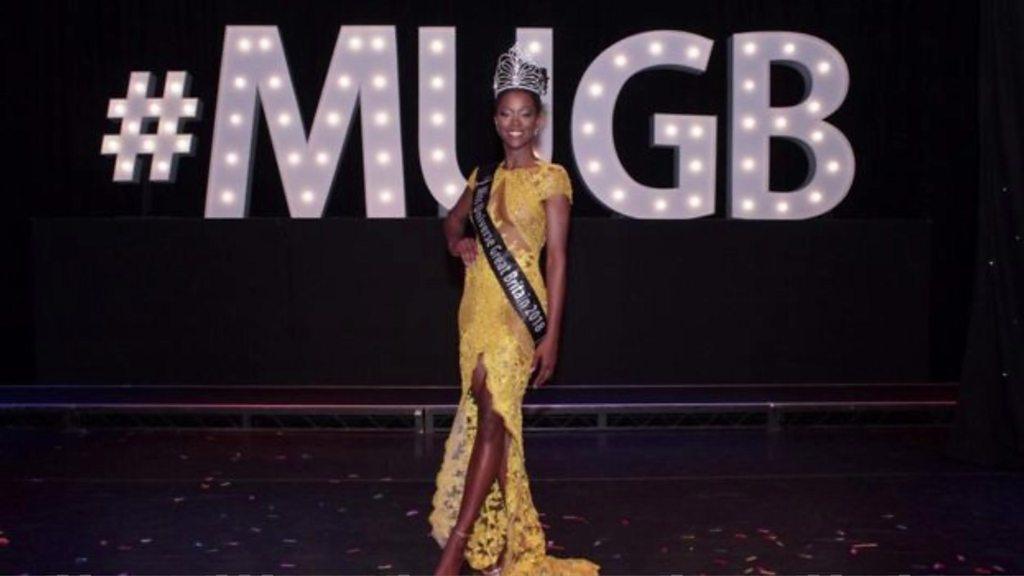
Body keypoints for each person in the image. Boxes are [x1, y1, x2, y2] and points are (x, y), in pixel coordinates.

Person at [428, 44, 601, 576]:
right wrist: (460, 247)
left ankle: (456, 551)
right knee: (493, 423)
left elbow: (559, 260)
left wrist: (551, 337)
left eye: (526, 113)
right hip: (477, 308)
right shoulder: (482, 179)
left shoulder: (553, 179)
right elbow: (450, 227)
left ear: (540, 119)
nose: (515, 123)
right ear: (496, 119)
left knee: (495, 415)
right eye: (506, 113)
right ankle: (510, 550)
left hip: (520, 316)